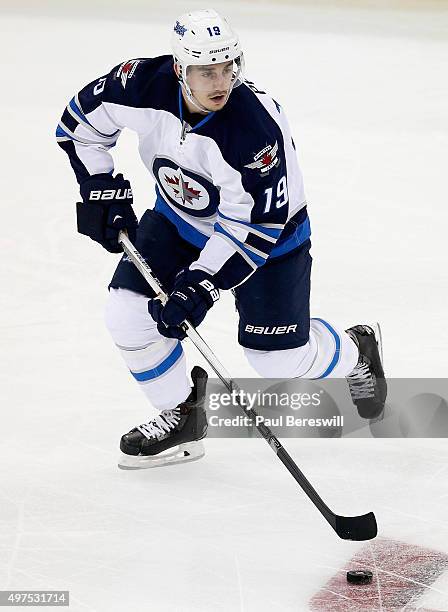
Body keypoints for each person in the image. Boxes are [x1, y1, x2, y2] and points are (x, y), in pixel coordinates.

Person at [56, 9, 386, 469]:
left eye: (227, 68)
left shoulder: (254, 131)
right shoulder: (139, 85)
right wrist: (100, 188)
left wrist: (203, 282)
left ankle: (356, 349)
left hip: (269, 241)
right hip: (178, 219)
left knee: (276, 362)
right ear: (179, 69)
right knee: (127, 313)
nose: (220, 82)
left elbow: (254, 227)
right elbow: (79, 124)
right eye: (205, 70)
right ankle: (182, 415)